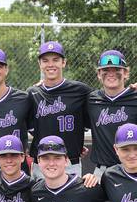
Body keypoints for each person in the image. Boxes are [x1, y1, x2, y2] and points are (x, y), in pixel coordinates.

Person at [27, 41, 91, 177]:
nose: (50, 64)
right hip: (41, 163)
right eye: (45, 60)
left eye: (55, 60)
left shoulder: (81, 91)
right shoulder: (32, 93)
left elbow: (105, 103)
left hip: (70, 162)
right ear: (40, 64)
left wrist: (132, 91)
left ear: (64, 62)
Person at [86, 50, 137, 175]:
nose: (111, 74)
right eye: (106, 70)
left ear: (126, 73)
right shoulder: (91, 100)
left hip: (136, 170)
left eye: (116, 69)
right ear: (99, 74)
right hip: (102, 171)